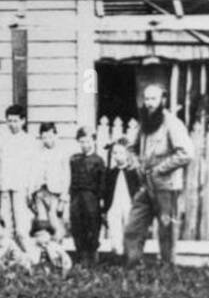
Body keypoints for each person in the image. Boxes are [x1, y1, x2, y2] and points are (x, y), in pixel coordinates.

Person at [124, 84, 194, 267]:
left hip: (166, 188)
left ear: (162, 100)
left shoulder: (173, 124)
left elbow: (186, 153)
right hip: (146, 186)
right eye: (146, 99)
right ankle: (133, 264)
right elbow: (131, 147)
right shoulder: (145, 123)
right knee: (133, 226)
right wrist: (137, 163)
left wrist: (160, 169)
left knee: (166, 230)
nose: (149, 103)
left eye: (153, 99)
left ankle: (167, 269)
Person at [68, 127, 107, 265]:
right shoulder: (74, 159)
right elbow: (71, 179)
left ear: (94, 141)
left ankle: (92, 258)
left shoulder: (98, 160)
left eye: (88, 141)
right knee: (77, 226)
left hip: (91, 198)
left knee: (92, 226)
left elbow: (102, 182)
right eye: (82, 141)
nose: (85, 145)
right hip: (76, 197)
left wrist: (101, 199)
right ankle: (80, 256)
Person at [0, 105, 34, 247]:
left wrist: (30, 189)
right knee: (6, 221)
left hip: (21, 186)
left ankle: (27, 255)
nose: (12, 124)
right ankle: (9, 253)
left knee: (22, 224)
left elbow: (32, 167)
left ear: (23, 121)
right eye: (9, 121)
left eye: (15, 121)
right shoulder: (2, 140)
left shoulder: (28, 140)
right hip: (5, 186)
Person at [29, 123, 69, 241]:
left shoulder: (62, 153)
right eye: (44, 137)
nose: (47, 140)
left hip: (55, 192)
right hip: (40, 191)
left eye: (50, 136)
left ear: (55, 136)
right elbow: (32, 172)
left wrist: (63, 197)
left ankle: (57, 248)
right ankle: (44, 249)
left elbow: (66, 176)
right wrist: (31, 191)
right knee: (42, 221)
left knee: (54, 220)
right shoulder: (37, 152)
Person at [102, 137, 140, 254]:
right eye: (115, 153)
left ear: (128, 154)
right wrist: (105, 208)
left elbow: (139, 190)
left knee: (130, 231)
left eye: (121, 153)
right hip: (114, 205)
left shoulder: (133, 172)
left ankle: (130, 257)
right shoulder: (110, 173)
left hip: (129, 204)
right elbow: (106, 192)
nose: (118, 156)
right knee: (115, 230)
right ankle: (116, 256)